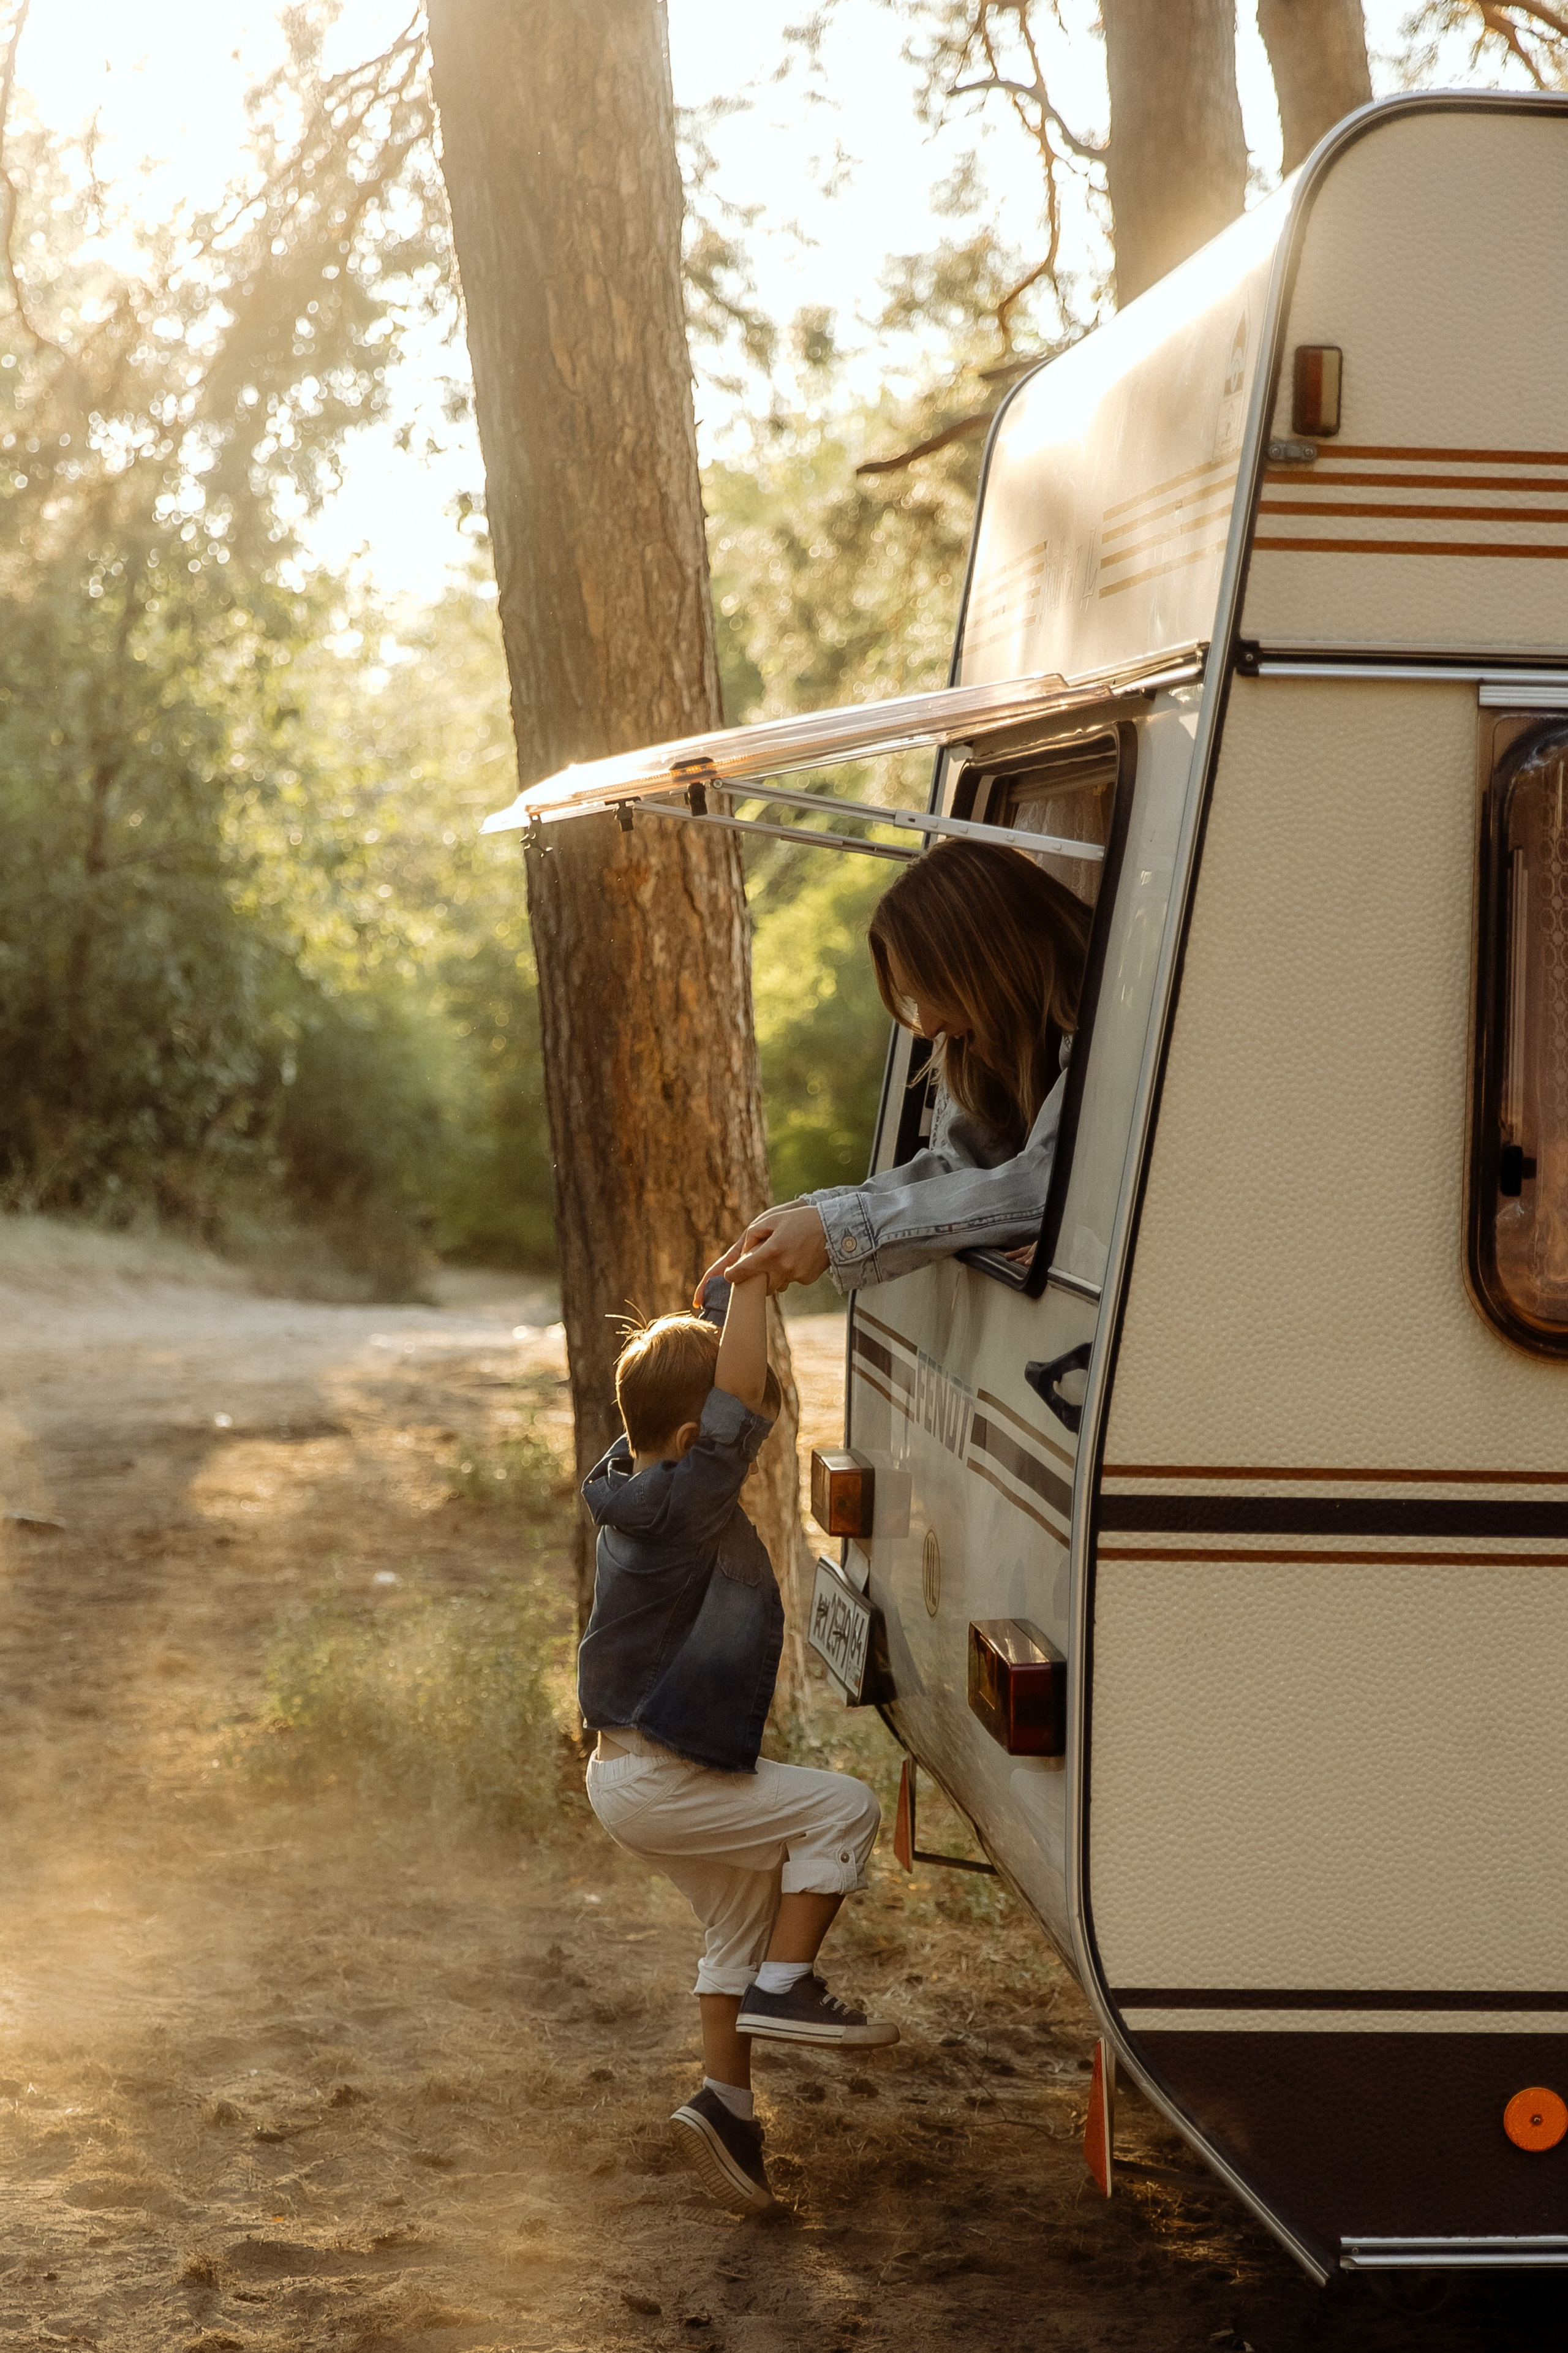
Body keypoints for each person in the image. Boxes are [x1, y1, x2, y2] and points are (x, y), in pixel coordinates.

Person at [579, 1270, 896, 2216]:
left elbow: (719, 1388)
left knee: (738, 1925)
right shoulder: (683, 1507)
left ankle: (726, 2108)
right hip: (659, 1778)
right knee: (846, 1808)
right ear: (689, 1443)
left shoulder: (629, 1483)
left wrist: (732, 1293)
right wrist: (755, 1281)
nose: (733, 1431)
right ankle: (787, 1987)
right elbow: (737, 1399)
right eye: (713, 1430)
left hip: (629, 1772)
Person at [712, 837, 1091, 1296]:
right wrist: (814, 1212)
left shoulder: (1104, 1030)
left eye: (932, 992)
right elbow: (963, 1167)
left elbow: (1044, 1187)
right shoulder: (1006, 1049)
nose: (929, 1025)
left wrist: (836, 1231)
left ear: (989, 968)